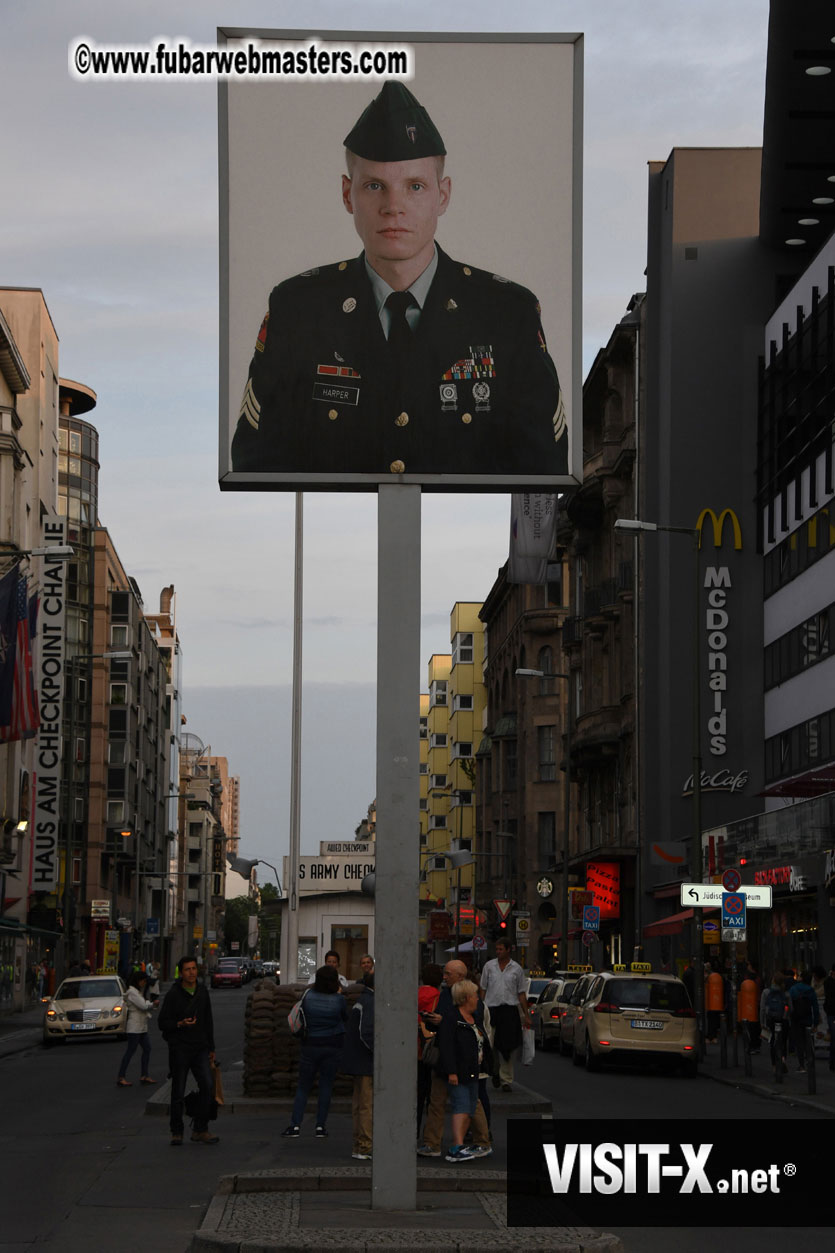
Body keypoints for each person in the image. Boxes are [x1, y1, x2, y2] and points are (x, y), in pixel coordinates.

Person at [232, 80, 566, 482]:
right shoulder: (298, 310)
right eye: (374, 186)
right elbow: (257, 468)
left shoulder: (507, 314)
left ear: (443, 196)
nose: (393, 207)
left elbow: (542, 474)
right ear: (347, 194)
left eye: (415, 187)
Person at [417, 959, 491, 1159]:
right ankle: (432, 1143)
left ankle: (482, 1141)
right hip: (444, 1058)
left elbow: (474, 1024)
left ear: (460, 976)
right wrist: (432, 1021)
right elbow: (442, 1026)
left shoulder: (471, 996)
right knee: (437, 1101)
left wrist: (445, 1021)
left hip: (462, 1061)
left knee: (470, 1102)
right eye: (444, 973)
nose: (444, 977)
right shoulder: (444, 995)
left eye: (448, 974)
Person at [158, 955, 219, 1146]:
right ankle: (177, 1131)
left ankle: (200, 1129)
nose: (191, 973)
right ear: (181, 973)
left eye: (193, 969)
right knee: (178, 1091)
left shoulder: (202, 992)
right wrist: (180, 1023)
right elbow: (162, 1023)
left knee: (207, 1086)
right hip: (180, 1048)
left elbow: (208, 1020)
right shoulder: (173, 994)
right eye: (187, 969)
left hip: (200, 1048)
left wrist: (211, 1047)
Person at [283, 965, 348, 1138]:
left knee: (303, 1086)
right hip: (332, 1045)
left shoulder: (308, 996)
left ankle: (295, 1125)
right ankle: (320, 1126)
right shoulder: (339, 1000)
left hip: (310, 1044)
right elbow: (345, 1018)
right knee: (326, 1086)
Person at [437, 980, 493, 1163]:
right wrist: (451, 1071)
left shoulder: (474, 1017)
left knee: (469, 1108)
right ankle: (457, 1146)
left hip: (473, 1070)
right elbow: (446, 1047)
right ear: (466, 997)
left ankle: (460, 1144)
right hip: (458, 1071)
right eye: (475, 995)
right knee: (461, 1106)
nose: (477, 998)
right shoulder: (451, 1018)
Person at [479, 939, 529, 1091]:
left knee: (508, 1046)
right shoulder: (489, 966)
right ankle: (495, 1070)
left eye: (501, 949)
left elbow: (521, 993)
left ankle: (506, 1080)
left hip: (509, 1010)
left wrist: (526, 1015)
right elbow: (483, 988)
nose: (498, 952)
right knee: (490, 1043)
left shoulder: (517, 969)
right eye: (497, 949)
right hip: (491, 1009)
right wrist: (480, 1009)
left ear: (508, 950)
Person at [339, 973, 375, 1160]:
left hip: (357, 1060)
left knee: (359, 1105)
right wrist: (379, 1053)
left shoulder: (362, 1000)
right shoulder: (371, 1002)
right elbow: (367, 1032)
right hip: (366, 1062)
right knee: (366, 1106)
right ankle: (365, 1145)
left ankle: (359, 1144)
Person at [116, 970, 157, 1087]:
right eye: (143, 981)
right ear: (138, 981)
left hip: (141, 1026)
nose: (144, 983)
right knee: (130, 1051)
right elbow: (143, 1006)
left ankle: (144, 1075)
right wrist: (152, 1004)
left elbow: (144, 1004)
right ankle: (121, 1077)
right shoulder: (132, 993)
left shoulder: (137, 992)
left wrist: (151, 1004)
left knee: (147, 1049)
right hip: (134, 1027)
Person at [417, 963, 443, 1138]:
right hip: (430, 1048)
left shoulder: (415, 994)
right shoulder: (438, 997)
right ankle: (430, 1134)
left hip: (415, 1046)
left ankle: (414, 1129)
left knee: (417, 1093)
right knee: (432, 1095)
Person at [788, 969, 820, 1073]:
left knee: (799, 1043)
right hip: (808, 1019)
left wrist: (789, 1016)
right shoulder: (811, 990)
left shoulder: (793, 989)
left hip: (796, 1019)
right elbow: (815, 1007)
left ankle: (801, 1065)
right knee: (809, 1042)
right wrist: (816, 1023)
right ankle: (810, 1063)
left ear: (801, 978)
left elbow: (789, 1004)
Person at [761, 971, 790, 1077]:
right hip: (783, 1021)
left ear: (773, 980)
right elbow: (791, 1008)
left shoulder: (766, 992)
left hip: (771, 1020)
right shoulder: (786, 994)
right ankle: (783, 1059)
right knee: (783, 1042)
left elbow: (762, 1009)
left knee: (772, 1042)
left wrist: (762, 1022)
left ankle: (774, 1066)